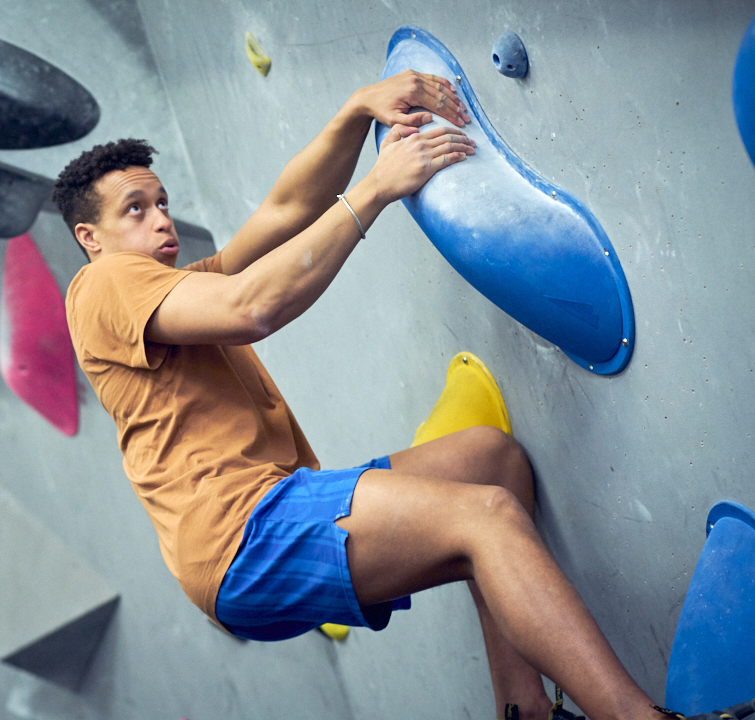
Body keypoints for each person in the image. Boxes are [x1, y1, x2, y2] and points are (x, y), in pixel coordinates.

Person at [54, 70, 751, 720]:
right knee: (484, 517)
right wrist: (377, 189)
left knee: (491, 462)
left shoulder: (175, 292)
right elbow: (252, 307)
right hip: (242, 538)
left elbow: (286, 209)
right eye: (135, 210)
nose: (161, 220)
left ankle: (524, 707)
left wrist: (359, 109)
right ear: (90, 238)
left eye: (163, 202)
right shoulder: (104, 285)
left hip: (263, 518)